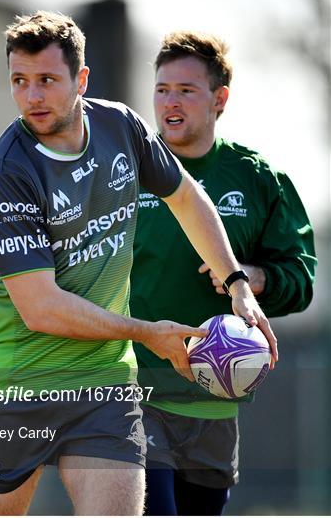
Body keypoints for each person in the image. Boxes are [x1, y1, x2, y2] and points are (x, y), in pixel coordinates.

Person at [0, 12, 278, 516]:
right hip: (15, 385)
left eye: (47, 80)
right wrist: (147, 332)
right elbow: (42, 309)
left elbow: (188, 199)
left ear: (81, 80)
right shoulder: (5, 174)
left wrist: (236, 279)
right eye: (19, 82)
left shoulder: (120, 127)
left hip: (104, 384)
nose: (32, 96)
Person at [130, 31, 316, 516]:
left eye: (186, 90)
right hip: (135, 389)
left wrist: (252, 278)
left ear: (219, 99)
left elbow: (301, 278)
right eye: (162, 89)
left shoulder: (257, 180)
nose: (170, 101)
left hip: (216, 396)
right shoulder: (122, 174)